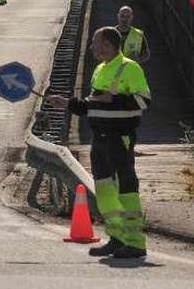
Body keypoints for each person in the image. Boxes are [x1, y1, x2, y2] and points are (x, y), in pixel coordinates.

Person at [48, 27, 151, 259]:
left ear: (108, 45)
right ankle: (117, 238)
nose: (93, 46)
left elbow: (144, 101)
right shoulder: (99, 70)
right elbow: (91, 104)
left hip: (120, 138)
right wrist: (66, 103)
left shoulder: (130, 68)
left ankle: (135, 242)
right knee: (105, 192)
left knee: (126, 190)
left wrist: (112, 99)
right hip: (100, 139)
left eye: (96, 42)